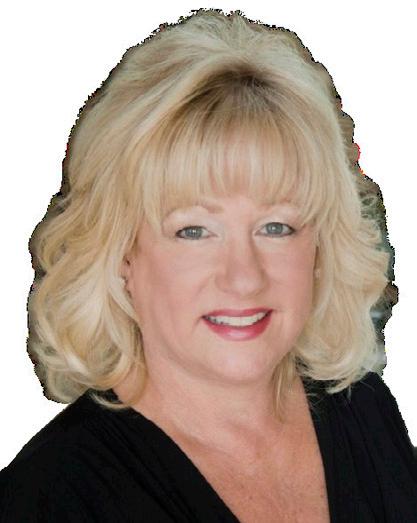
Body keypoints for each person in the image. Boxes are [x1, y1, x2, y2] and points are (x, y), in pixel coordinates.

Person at [1, 7, 416, 522]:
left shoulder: (362, 410)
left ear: (320, 246)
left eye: (276, 227)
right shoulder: (52, 499)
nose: (243, 277)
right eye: (193, 231)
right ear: (122, 253)